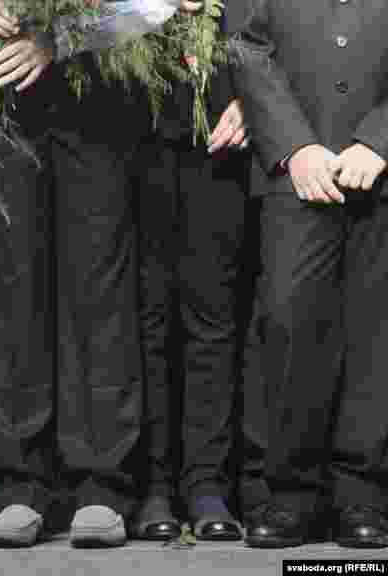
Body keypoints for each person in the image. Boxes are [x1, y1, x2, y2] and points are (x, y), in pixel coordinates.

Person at [0, 0, 198, 549]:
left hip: (100, 91)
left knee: (98, 292)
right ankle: (21, 485)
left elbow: (155, 5)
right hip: (4, 93)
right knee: (12, 292)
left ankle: (101, 484)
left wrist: (62, 38)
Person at [232, 0, 388, 549]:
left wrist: (380, 140)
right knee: (289, 322)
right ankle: (293, 493)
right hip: (296, 175)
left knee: (375, 332)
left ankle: (362, 493)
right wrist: (294, 146)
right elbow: (247, 46)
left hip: (381, 175)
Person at [133, 68, 249, 542]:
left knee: (212, 317)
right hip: (131, 122)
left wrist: (249, 97)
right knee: (145, 319)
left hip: (222, 123)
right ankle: (152, 484)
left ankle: (207, 483)